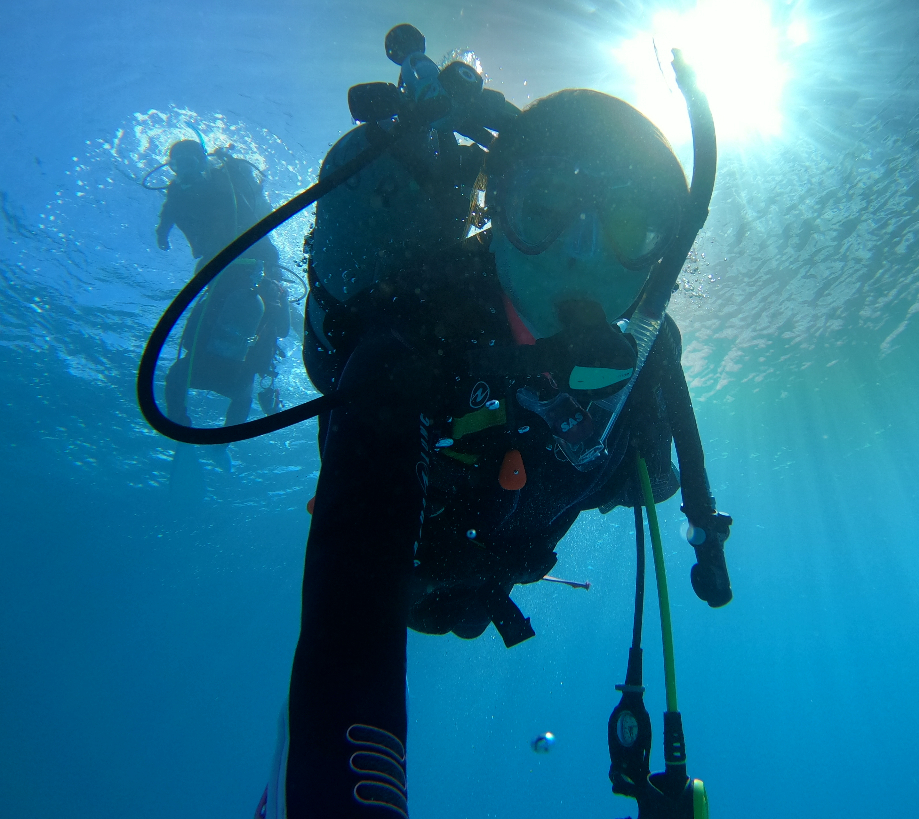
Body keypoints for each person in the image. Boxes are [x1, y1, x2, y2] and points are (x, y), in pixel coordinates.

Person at [257, 85, 732, 818]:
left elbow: (661, 484)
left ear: (660, 257)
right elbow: (349, 612)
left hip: (498, 569)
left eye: (630, 225)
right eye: (544, 211)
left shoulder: (645, 369)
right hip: (410, 566)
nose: (580, 255)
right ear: (496, 214)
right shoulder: (412, 336)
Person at [155, 139, 289, 465]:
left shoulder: (228, 180)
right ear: (172, 166)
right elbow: (169, 214)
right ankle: (184, 433)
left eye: (191, 160)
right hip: (219, 273)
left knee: (244, 380)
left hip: (250, 263)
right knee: (178, 374)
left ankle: (221, 447)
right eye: (178, 162)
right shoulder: (177, 192)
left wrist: (275, 287)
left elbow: (265, 241)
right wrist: (163, 230)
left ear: (204, 161)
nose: (185, 168)